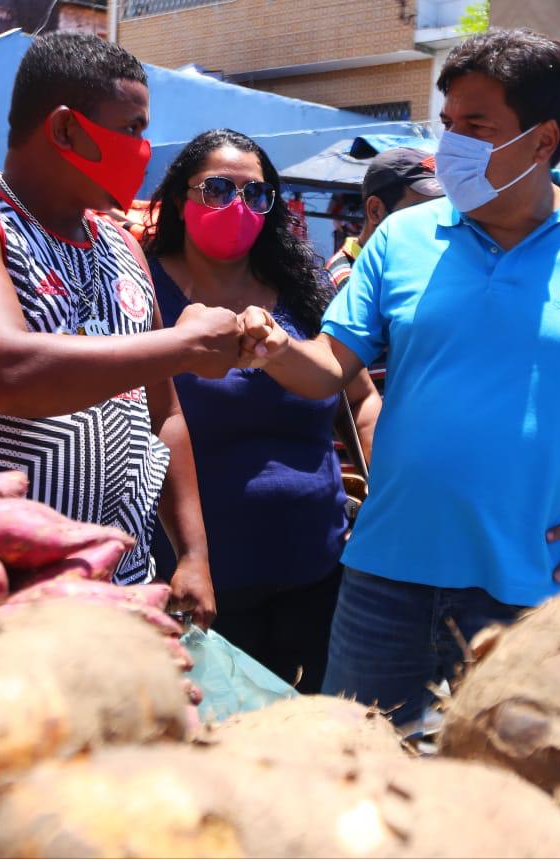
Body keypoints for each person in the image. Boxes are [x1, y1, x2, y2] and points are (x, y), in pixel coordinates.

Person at [237, 28, 560, 724]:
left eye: (477, 126)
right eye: (448, 124)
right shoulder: (401, 238)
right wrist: (272, 346)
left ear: (542, 140)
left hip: (533, 592)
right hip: (386, 578)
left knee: (513, 785)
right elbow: (328, 371)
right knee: (359, 776)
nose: (452, 146)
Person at [0, 32, 239, 625]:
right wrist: (186, 344)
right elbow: (7, 375)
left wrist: (194, 554)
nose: (143, 149)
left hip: (116, 590)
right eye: (131, 129)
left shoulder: (122, 247)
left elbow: (164, 414)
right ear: (66, 130)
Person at [143, 129, 381, 691]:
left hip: (319, 574)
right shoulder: (144, 288)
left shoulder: (303, 289)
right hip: (196, 583)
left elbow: (360, 397)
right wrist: (189, 558)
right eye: (217, 189)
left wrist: (382, 501)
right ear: (179, 198)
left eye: (255, 194)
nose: (238, 206)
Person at [324, 147, 442, 292]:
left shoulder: (404, 268)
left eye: (438, 209)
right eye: (420, 211)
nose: (434, 221)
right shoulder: (349, 284)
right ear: (375, 211)